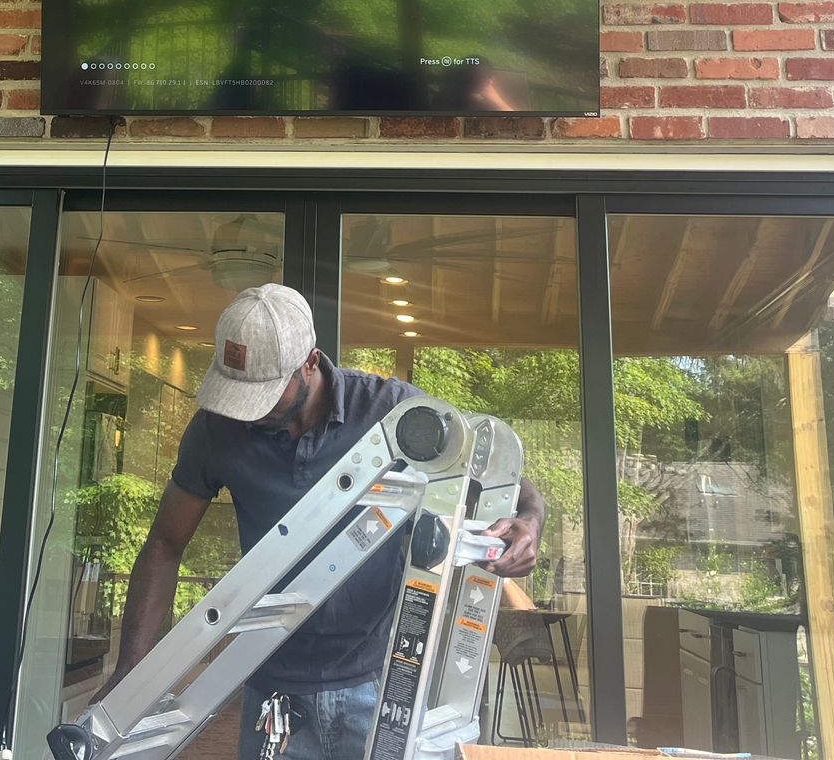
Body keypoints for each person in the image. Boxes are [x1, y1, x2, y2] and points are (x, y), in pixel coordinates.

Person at [96, 285, 545, 760]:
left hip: (377, 684)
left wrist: (529, 522)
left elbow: (504, 480)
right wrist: (130, 674)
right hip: (271, 687)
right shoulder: (216, 429)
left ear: (310, 362)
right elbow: (165, 546)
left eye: (264, 395)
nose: (247, 413)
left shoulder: (392, 412)